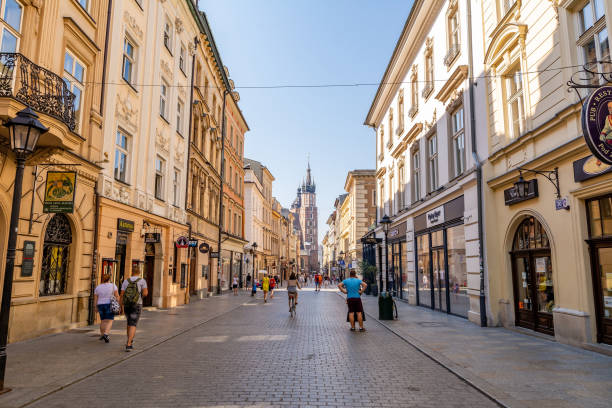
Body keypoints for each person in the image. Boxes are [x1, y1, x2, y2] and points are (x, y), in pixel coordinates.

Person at [120, 267, 148, 352]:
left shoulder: (126, 281)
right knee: (133, 323)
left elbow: (122, 294)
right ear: (139, 272)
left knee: (129, 322)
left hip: (127, 304)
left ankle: (129, 340)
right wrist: (140, 297)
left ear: (131, 272)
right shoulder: (142, 281)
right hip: (137, 304)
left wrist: (121, 306)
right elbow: (145, 293)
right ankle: (129, 344)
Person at [94, 273, 119, 343]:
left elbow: (95, 298)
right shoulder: (113, 286)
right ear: (109, 279)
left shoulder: (98, 287)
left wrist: (95, 307)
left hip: (100, 304)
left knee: (103, 320)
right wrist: (119, 304)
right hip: (109, 304)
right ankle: (106, 334)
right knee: (109, 320)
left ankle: (102, 334)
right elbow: (117, 296)